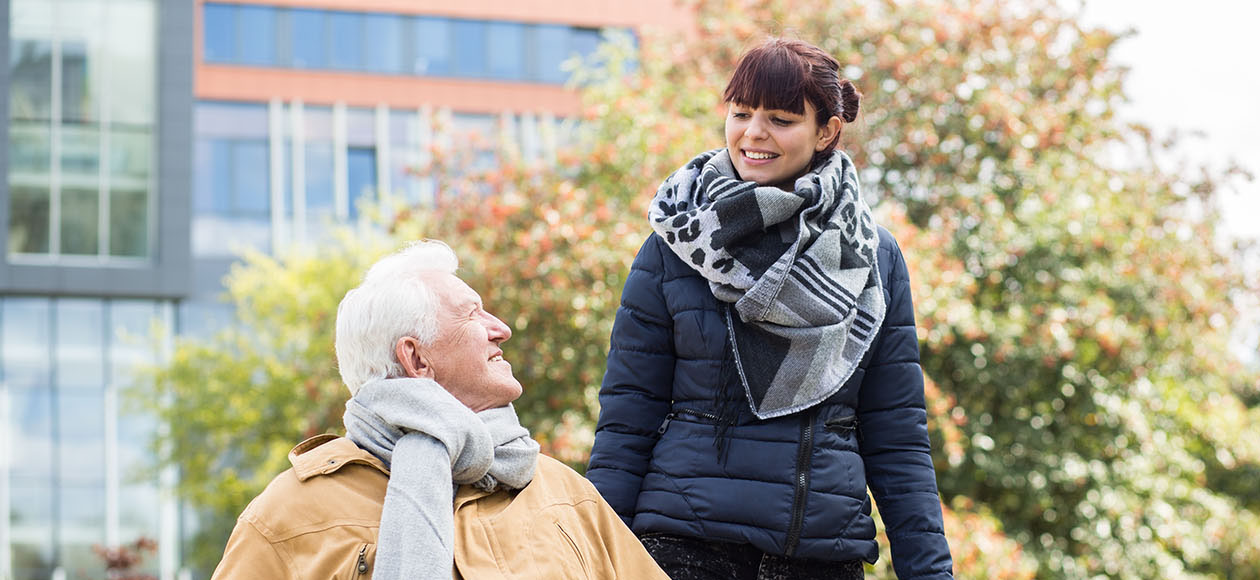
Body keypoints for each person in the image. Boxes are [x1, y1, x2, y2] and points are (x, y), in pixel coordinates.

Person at [586, 38, 954, 579]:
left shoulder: (872, 256)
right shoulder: (676, 243)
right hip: (683, 549)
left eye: (781, 119)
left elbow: (896, 435)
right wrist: (597, 561)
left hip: (821, 555)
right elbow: (626, 418)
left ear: (826, 131)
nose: (753, 134)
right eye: (740, 113)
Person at [211, 239, 667, 579]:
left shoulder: (565, 493)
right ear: (417, 359)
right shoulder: (288, 515)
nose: (501, 329)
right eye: (473, 315)